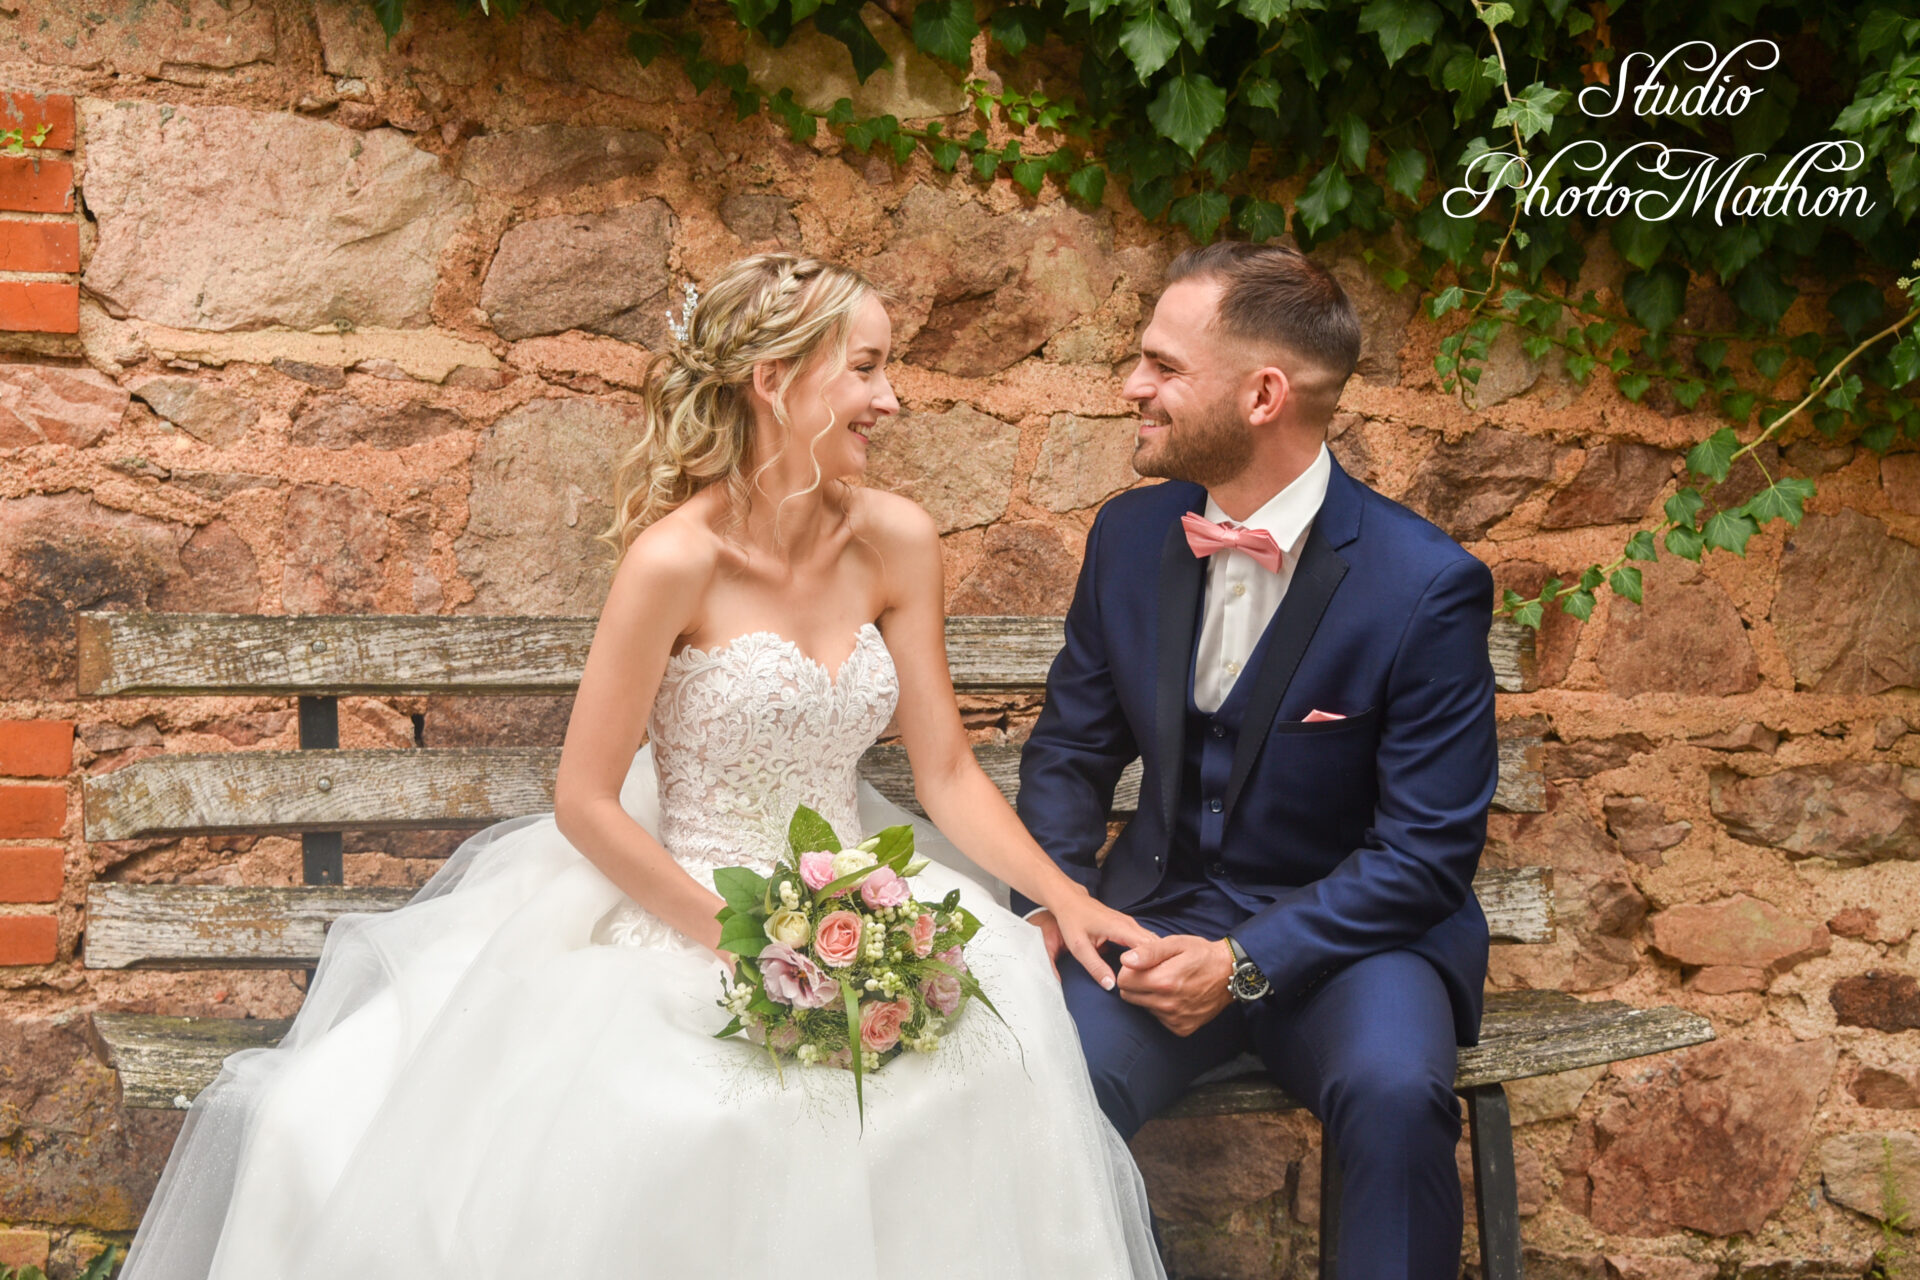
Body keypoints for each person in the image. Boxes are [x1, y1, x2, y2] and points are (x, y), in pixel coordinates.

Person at [119, 253, 1168, 1280]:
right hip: (687, 901)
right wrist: (745, 942)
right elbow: (583, 800)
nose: (890, 399)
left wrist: (1063, 897)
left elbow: (942, 771)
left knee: (990, 1052)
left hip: (855, 893)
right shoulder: (676, 559)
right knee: (686, 1113)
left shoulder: (896, 538)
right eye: (866, 367)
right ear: (773, 380)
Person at [1014, 240, 1500, 1278]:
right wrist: (1053, 900)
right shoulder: (1129, 535)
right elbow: (1070, 749)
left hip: (1356, 945)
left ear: (1264, 393)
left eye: (1163, 364)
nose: (1133, 386)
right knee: (1030, 1073)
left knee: (1395, 1092)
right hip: (1152, 915)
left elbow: (1423, 854)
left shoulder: (1426, 583)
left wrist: (1243, 963)